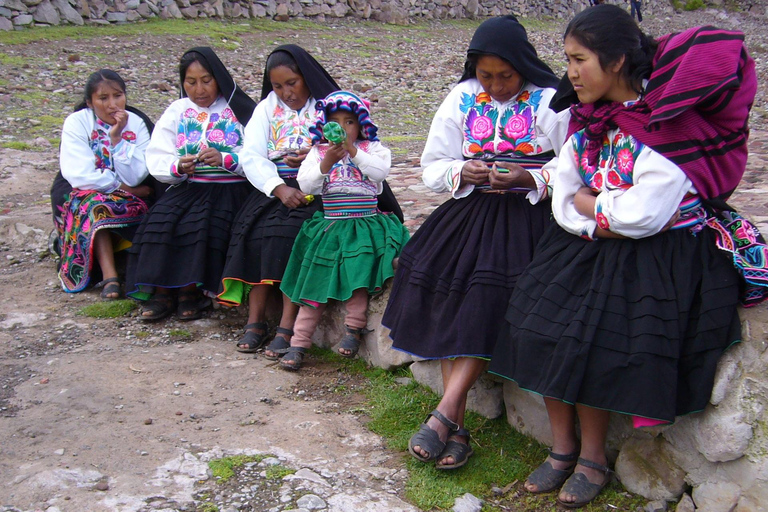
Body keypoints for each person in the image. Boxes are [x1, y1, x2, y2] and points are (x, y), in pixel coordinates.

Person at [489, 5, 762, 508]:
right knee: (536, 323)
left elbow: (644, 215)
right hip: (589, 244)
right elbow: (564, 187)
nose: (569, 73)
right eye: (567, 59)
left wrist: (592, 207)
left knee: (597, 337)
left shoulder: (668, 127)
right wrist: (592, 218)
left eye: (579, 59)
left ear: (615, 61)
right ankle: (563, 445)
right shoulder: (590, 122)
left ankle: (593, 456)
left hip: (658, 256)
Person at [381, 15, 571, 470]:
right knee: (450, 293)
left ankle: (447, 414)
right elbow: (431, 164)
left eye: (505, 75)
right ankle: (455, 424)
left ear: (523, 65)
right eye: (487, 76)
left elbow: (573, 165)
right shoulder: (463, 97)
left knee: (487, 296)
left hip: (528, 216)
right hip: (472, 210)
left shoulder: (549, 101)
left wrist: (530, 176)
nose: (497, 85)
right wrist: (459, 171)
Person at [218, 45, 403, 356]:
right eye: (278, 86)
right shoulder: (267, 109)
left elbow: (364, 169)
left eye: (292, 82)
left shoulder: (328, 107)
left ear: (306, 77)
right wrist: (278, 188)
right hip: (276, 187)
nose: (287, 92)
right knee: (254, 234)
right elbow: (250, 154)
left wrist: (320, 157)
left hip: (323, 193)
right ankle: (255, 320)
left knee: (293, 238)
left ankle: (288, 327)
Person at [276, 91, 410, 371]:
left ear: (361, 124)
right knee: (315, 279)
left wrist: (353, 152)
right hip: (332, 224)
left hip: (365, 225)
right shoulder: (318, 153)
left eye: (349, 122)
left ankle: (354, 328)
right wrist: (326, 163)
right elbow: (307, 185)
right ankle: (299, 342)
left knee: (357, 272)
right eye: (335, 122)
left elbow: (379, 172)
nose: (343, 127)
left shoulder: (373, 149)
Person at [125, 47, 257, 321]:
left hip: (232, 188)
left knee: (203, 224)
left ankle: (190, 293)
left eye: (206, 80)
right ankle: (162, 292)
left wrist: (226, 158)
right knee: (161, 220)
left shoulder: (241, 110)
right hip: (191, 185)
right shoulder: (179, 110)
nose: (199, 89)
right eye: (191, 81)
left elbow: (259, 155)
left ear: (219, 78)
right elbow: (158, 154)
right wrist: (178, 166)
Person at [53, 69, 153, 300]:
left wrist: (117, 139)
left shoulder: (137, 124)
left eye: (118, 96)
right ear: (90, 102)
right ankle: (110, 277)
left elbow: (138, 174)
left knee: (96, 203)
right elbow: (80, 175)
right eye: (103, 98)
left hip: (130, 196)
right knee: (93, 205)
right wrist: (124, 188)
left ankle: (119, 273)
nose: (112, 105)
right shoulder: (78, 123)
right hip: (86, 192)